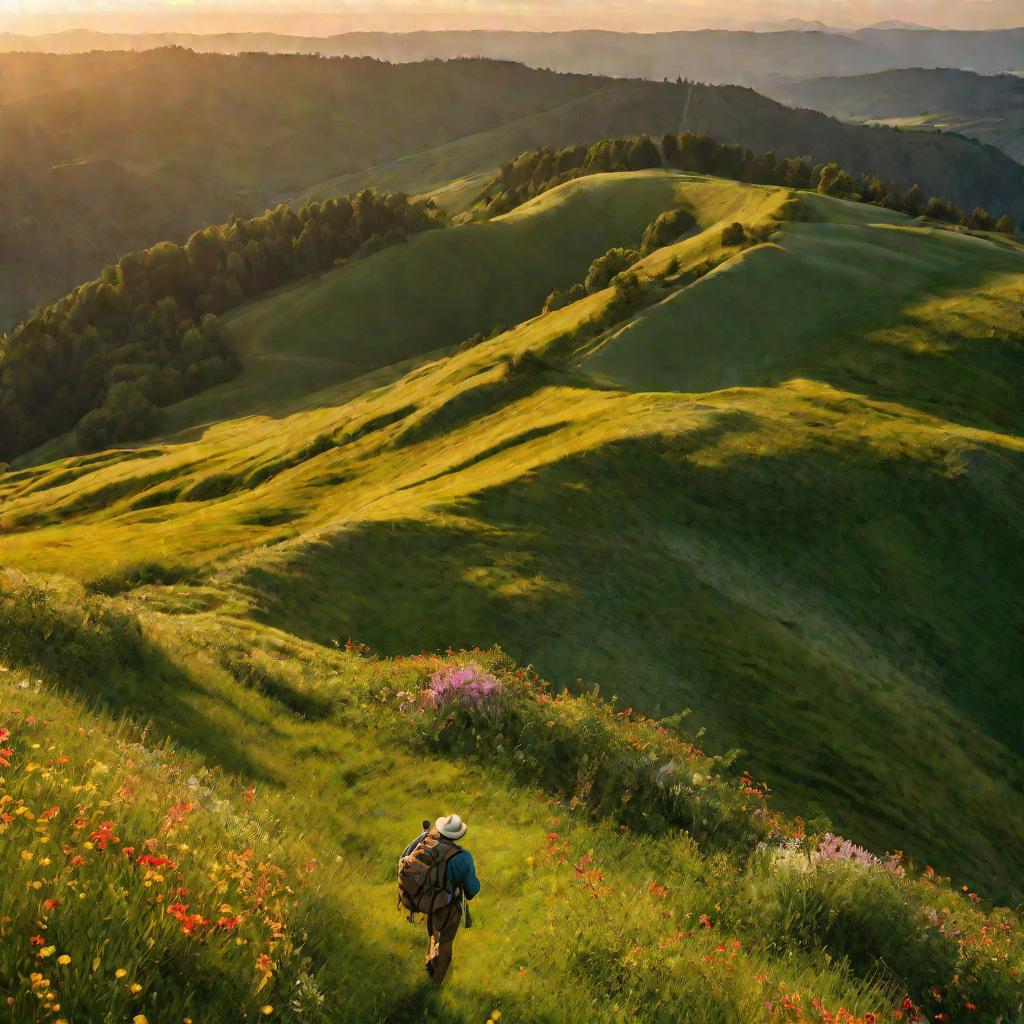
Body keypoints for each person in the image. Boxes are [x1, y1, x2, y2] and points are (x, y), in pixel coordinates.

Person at [399, 813, 481, 984]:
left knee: (435, 930)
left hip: (427, 899)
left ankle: (431, 958)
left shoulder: (425, 844)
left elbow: (404, 856)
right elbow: (472, 890)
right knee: (446, 942)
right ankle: (436, 984)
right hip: (447, 904)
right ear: (459, 835)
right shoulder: (463, 857)